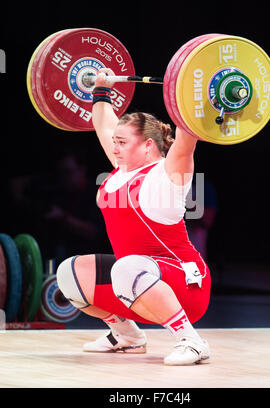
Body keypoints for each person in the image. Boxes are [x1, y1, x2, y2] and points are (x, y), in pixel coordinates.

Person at [56, 68, 211, 366]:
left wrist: (191, 99)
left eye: (122, 142)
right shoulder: (120, 170)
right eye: (115, 142)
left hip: (186, 284)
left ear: (148, 145)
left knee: (125, 268)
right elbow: (102, 124)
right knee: (70, 273)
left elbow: (186, 141)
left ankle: (191, 340)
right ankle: (127, 336)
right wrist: (100, 89)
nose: (114, 147)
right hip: (136, 278)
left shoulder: (167, 175)